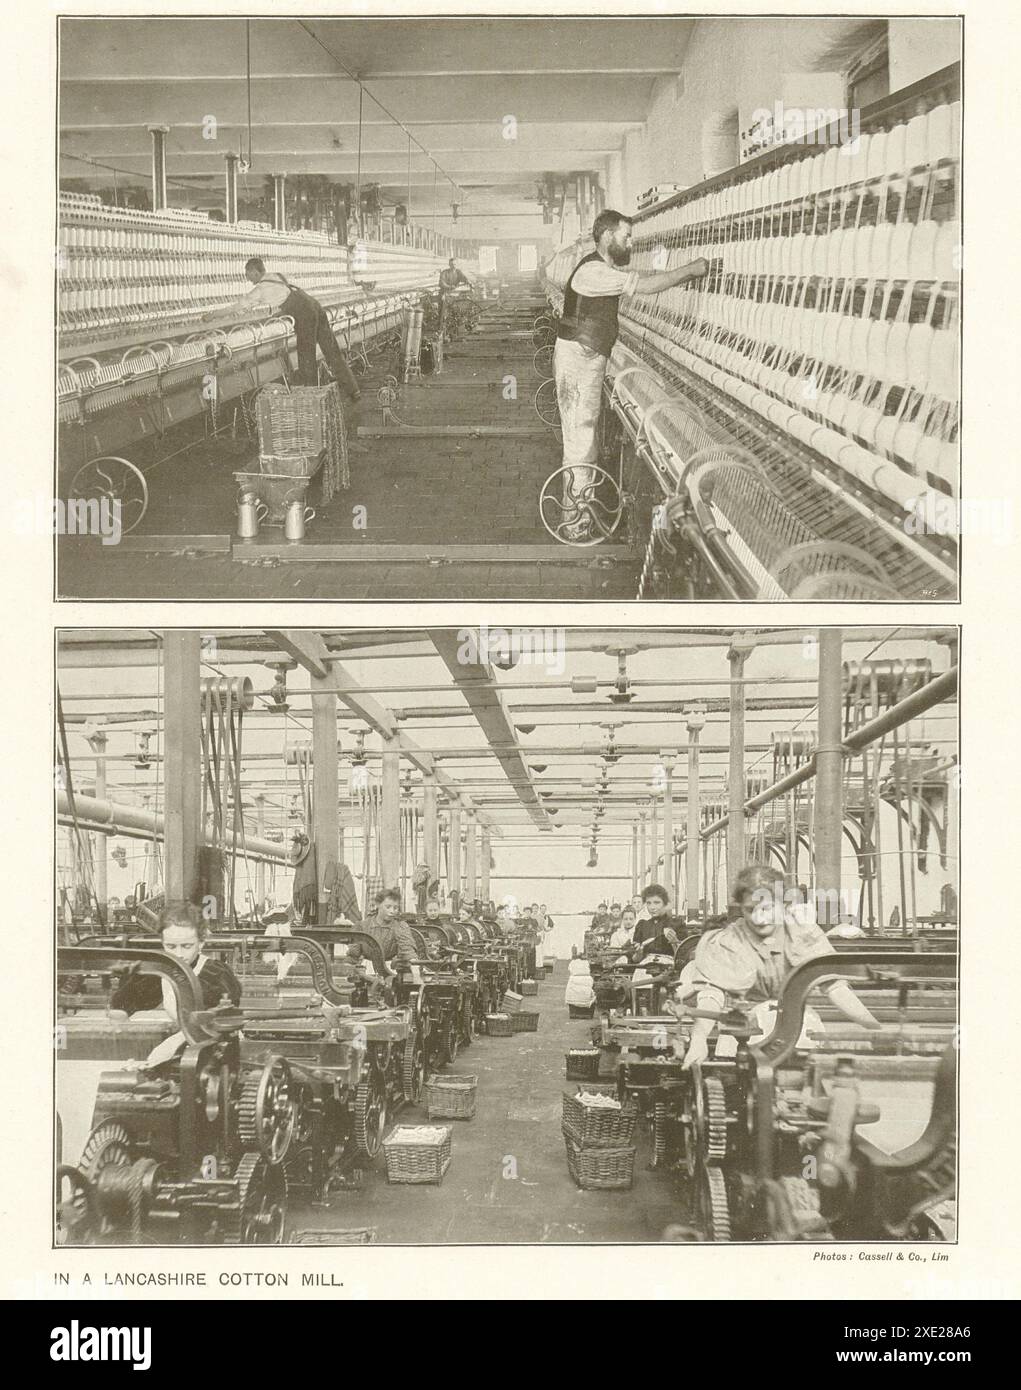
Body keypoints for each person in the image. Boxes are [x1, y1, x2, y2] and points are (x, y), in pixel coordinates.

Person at [554, 210, 709, 538]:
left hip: (584, 358)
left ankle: (579, 510)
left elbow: (639, 277)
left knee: (583, 437)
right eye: (626, 237)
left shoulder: (599, 268)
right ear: (608, 237)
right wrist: (693, 270)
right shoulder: (595, 272)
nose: (631, 243)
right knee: (580, 440)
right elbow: (647, 285)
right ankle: (575, 522)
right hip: (579, 362)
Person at [679, 865, 882, 1070]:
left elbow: (835, 988)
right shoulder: (728, 940)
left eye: (767, 908)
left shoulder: (802, 931)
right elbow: (711, 995)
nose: (759, 918)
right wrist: (698, 1039)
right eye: (750, 909)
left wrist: (876, 1029)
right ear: (741, 908)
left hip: (797, 1030)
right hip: (742, 1033)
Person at [207, 256, 367, 453]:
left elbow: (238, 307)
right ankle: (353, 390)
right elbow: (287, 298)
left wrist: (212, 315)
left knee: (306, 357)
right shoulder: (277, 276)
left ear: (256, 271)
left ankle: (307, 403)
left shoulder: (260, 289)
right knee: (332, 351)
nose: (246, 277)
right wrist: (277, 314)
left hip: (304, 313)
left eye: (248, 273)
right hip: (314, 306)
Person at [109, 903, 241, 1066]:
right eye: (171, 946)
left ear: (201, 943)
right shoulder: (161, 972)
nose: (178, 954)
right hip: (184, 1046)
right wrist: (125, 1037)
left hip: (217, 1051)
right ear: (162, 943)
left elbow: (213, 1024)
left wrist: (170, 1045)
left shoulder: (216, 974)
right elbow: (123, 1004)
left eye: (186, 946)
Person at [565, 948, 595, 1017]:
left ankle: (574, 1010)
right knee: (589, 992)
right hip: (586, 979)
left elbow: (570, 969)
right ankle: (586, 1010)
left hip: (574, 979)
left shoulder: (573, 962)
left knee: (571, 992)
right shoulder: (587, 963)